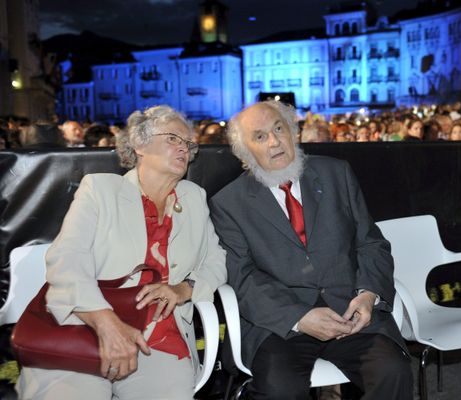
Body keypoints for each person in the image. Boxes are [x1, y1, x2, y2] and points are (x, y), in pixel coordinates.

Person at [17, 105, 227, 400]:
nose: (185, 148)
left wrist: (185, 289)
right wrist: (106, 323)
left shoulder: (194, 198)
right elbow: (66, 260)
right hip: (83, 329)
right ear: (140, 144)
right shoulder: (101, 190)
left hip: (158, 341)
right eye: (173, 139)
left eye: (188, 143)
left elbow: (216, 260)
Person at [209, 100, 412, 400]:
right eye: (260, 136)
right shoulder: (229, 203)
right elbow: (242, 278)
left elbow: (372, 243)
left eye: (280, 129)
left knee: (392, 371)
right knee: (279, 388)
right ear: (244, 152)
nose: (275, 141)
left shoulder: (336, 174)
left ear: (293, 132)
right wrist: (299, 316)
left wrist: (368, 294)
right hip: (281, 325)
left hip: (351, 312)